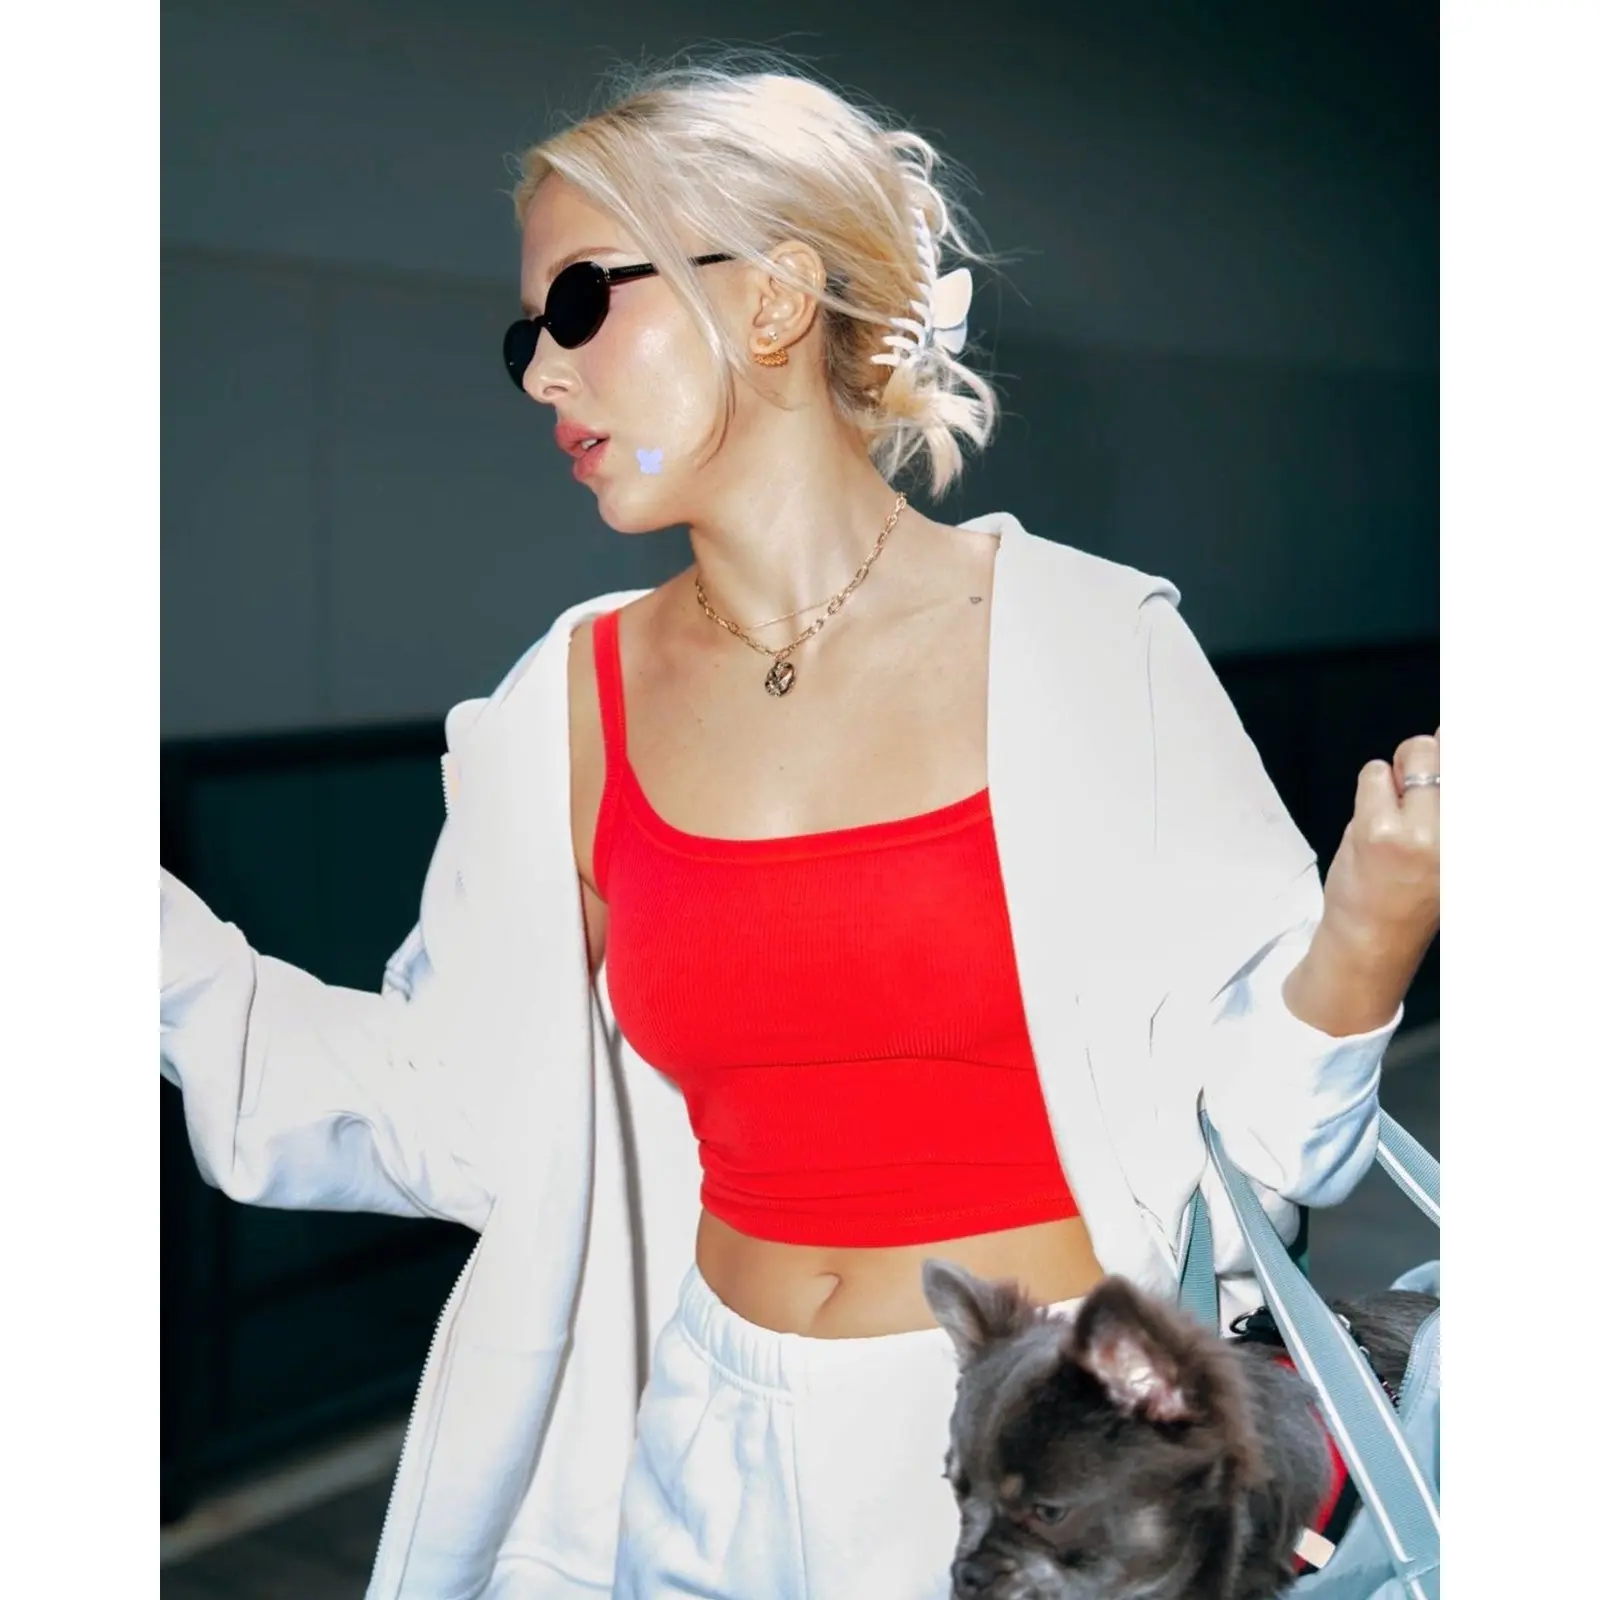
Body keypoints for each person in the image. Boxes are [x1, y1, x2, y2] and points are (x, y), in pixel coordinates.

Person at [160, 60, 1441, 1600]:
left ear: (770, 300)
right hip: (694, 1449)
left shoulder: (1090, 645)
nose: (541, 374)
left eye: (579, 305)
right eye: (526, 335)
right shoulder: (563, 705)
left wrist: (1370, 935)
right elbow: (453, 1112)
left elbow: (1272, 1151)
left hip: (1029, 1476)